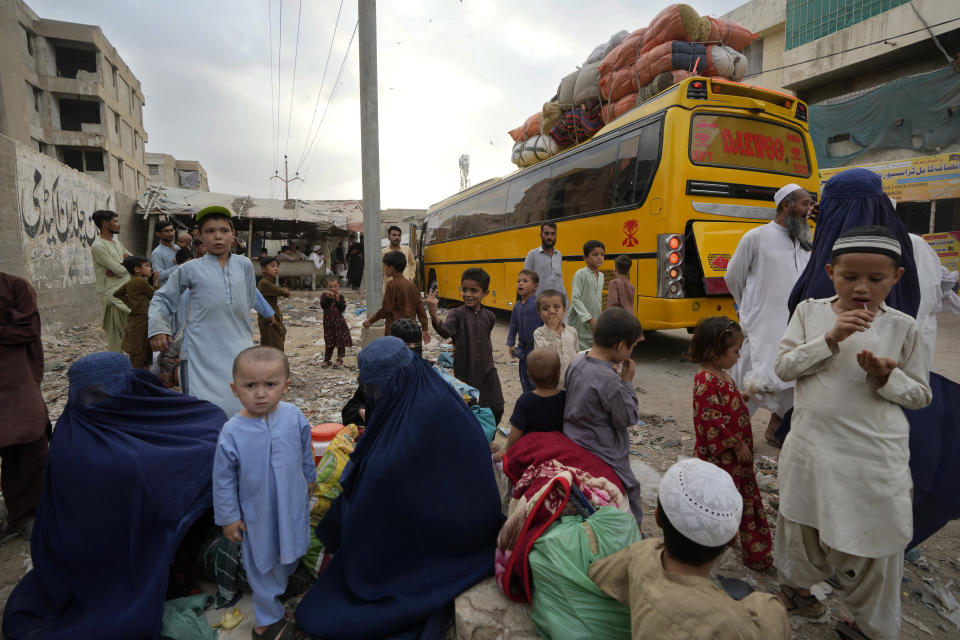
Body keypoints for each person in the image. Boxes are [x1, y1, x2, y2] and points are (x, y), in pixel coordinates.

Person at [773, 225, 931, 640]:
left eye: (876, 279)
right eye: (850, 277)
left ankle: (871, 629)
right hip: (811, 450)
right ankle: (798, 592)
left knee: (874, 546)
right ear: (830, 272)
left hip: (872, 460)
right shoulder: (810, 313)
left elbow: (921, 396)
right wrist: (829, 338)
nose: (862, 288)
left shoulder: (903, 328)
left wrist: (887, 378)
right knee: (801, 527)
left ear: (895, 278)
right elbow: (784, 368)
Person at [3, 352, 225, 640]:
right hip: (103, 558)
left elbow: (210, 423)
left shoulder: (150, 410)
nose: (100, 400)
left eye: (109, 389)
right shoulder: (76, 440)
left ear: (130, 383)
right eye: (90, 394)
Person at [295, 337, 503, 639]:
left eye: (374, 389)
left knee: (322, 612)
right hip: (473, 522)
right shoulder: (432, 391)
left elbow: (384, 484)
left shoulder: (418, 421)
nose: (372, 396)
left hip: (454, 538)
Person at [588, 458, 790, 640]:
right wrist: (765, 603)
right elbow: (774, 621)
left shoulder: (641, 553)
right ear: (731, 541)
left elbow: (600, 574)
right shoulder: (729, 622)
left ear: (658, 518)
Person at [213, 346, 314, 639]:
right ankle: (265, 622)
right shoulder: (232, 432)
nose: (260, 393)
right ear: (235, 389)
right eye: (250, 385)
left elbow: (305, 448)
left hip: (292, 504)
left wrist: (309, 477)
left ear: (286, 385)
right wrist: (229, 517)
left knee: (291, 550)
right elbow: (222, 479)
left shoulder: (294, 416)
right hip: (258, 514)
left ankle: (282, 586)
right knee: (263, 561)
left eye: (270, 384)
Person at [148, 205, 260, 416]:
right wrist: (157, 327)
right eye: (210, 231)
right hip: (202, 350)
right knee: (204, 409)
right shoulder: (190, 268)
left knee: (242, 404)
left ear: (233, 235)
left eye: (224, 231)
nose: (218, 236)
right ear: (199, 235)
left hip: (239, 346)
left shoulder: (244, 265)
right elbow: (162, 298)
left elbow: (249, 300)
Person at [724, 183, 812, 447]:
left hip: (793, 325)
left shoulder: (805, 241)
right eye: (805, 204)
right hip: (760, 324)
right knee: (751, 380)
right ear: (787, 205)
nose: (810, 210)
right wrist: (748, 307)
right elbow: (733, 276)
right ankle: (728, 434)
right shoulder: (757, 237)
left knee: (789, 380)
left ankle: (776, 430)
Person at [688, 316, 772, 571]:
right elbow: (710, 421)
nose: (738, 357)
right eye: (735, 351)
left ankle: (754, 553)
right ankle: (707, 552)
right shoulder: (705, 380)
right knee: (721, 505)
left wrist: (743, 394)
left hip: (735, 461)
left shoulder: (720, 374)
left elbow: (723, 408)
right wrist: (737, 444)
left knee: (741, 501)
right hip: (722, 462)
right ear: (715, 350)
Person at [563, 307, 644, 525]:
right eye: (633, 347)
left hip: (573, 437)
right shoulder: (609, 379)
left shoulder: (577, 361)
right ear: (620, 346)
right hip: (600, 448)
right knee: (632, 488)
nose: (632, 352)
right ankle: (634, 534)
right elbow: (627, 416)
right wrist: (627, 382)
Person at [0, 273, 49, 538]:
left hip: (16, 378)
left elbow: (29, 330)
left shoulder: (15, 287)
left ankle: (28, 512)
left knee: (30, 442)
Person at [426, 267, 505, 424]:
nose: (468, 294)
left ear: (485, 293)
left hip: (487, 370)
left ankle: (489, 436)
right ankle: (475, 438)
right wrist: (434, 315)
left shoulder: (490, 317)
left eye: (474, 290)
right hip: (465, 371)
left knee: (496, 405)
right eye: (465, 289)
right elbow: (446, 331)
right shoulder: (457, 314)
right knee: (469, 407)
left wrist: (457, 342)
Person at [341, 318, 423, 427]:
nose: (413, 352)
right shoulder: (379, 375)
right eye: (407, 347)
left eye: (417, 346)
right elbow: (348, 411)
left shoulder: (427, 377)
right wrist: (361, 412)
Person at [504, 348, 565, 451]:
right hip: (557, 448)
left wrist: (507, 449)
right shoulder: (565, 397)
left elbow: (516, 430)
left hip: (531, 450)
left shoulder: (525, 400)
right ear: (559, 375)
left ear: (529, 376)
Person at [362, 251, 429, 343]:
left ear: (391, 268)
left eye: (385, 266)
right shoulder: (412, 285)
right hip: (409, 330)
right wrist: (425, 328)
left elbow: (386, 310)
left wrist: (370, 321)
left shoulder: (391, 285)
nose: (384, 269)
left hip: (395, 331)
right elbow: (420, 308)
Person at [90, 209, 131, 352]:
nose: (118, 225)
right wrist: (121, 266)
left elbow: (133, 261)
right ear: (105, 224)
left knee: (133, 337)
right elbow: (121, 269)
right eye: (115, 221)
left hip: (126, 294)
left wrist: (120, 266)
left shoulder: (116, 243)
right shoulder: (98, 246)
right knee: (116, 342)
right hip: (112, 298)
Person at [113, 256, 157, 369]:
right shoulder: (140, 281)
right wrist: (155, 282)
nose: (150, 268)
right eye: (147, 266)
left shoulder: (131, 282)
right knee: (141, 349)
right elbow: (155, 296)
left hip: (136, 317)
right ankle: (138, 376)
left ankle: (142, 375)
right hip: (143, 318)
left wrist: (132, 305)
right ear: (137, 269)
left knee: (140, 348)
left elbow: (117, 294)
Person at [533, 289, 579, 390]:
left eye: (556, 307)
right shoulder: (539, 333)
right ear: (539, 314)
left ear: (564, 310)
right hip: (551, 387)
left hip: (572, 385)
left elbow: (577, 355)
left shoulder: (572, 331)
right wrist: (551, 331)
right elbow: (545, 356)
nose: (552, 312)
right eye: (546, 308)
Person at [506, 269, 542, 393]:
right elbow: (513, 325)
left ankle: (537, 400)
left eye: (525, 281)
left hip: (537, 348)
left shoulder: (538, 303)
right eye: (518, 281)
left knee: (535, 379)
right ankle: (528, 399)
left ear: (535, 286)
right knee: (524, 378)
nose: (520, 284)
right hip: (522, 348)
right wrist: (510, 344)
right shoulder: (517, 306)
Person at [569, 240, 605, 349]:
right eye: (595, 254)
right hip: (579, 322)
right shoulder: (580, 274)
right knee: (578, 351)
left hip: (594, 320)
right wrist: (589, 319)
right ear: (585, 258)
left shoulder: (602, 276)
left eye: (602, 255)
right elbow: (575, 299)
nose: (599, 257)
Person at [523, 222, 567, 304]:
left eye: (553, 234)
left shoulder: (559, 254)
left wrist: (566, 304)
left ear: (556, 236)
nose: (549, 237)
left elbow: (559, 281)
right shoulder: (532, 254)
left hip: (556, 305)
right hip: (538, 305)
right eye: (546, 233)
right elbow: (524, 280)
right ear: (541, 235)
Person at [257, 256, 289, 352]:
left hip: (271, 318)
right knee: (275, 349)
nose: (276, 269)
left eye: (277, 266)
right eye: (272, 266)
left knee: (269, 349)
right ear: (263, 269)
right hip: (270, 321)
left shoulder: (268, 282)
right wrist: (285, 290)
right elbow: (284, 293)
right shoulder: (265, 283)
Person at [320, 275, 352, 367]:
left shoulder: (340, 297)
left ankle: (339, 358)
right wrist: (329, 298)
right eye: (331, 287)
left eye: (335, 286)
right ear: (327, 287)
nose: (333, 289)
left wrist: (338, 301)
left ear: (338, 286)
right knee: (329, 341)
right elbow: (323, 306)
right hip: (328, 323)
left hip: (339, 323)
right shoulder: (324, 296)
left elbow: (342, 308)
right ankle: (327, 359)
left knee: (340, 340)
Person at [150, 219, 179, 286]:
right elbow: (159, 275)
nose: (170, 234)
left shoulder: (178, 248)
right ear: (158, 234)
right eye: (166, 231)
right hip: (169, 290)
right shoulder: (157, 253)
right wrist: (179, 266)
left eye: (171, 230)